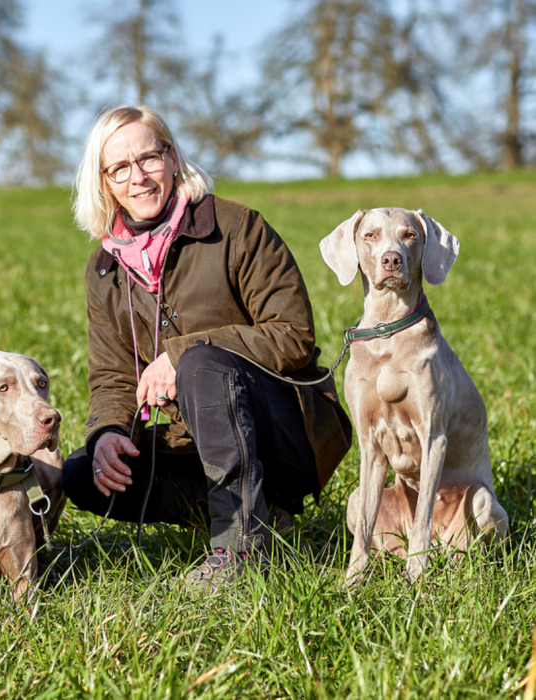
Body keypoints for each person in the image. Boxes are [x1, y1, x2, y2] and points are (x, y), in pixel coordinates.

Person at [62, 105, 352, 592]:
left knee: (200, 365)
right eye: (120, 168)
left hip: (285, 432)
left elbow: (294, 334)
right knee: (80, 474)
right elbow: (113, 375)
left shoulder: (238, 228)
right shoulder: (105, 270)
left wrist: (180, 354)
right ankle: (257, 516)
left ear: (173, 158)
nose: (139, 178)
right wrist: (108, 433)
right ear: (104, 181)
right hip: (196, 441)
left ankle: (240, 551)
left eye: (150, 158)